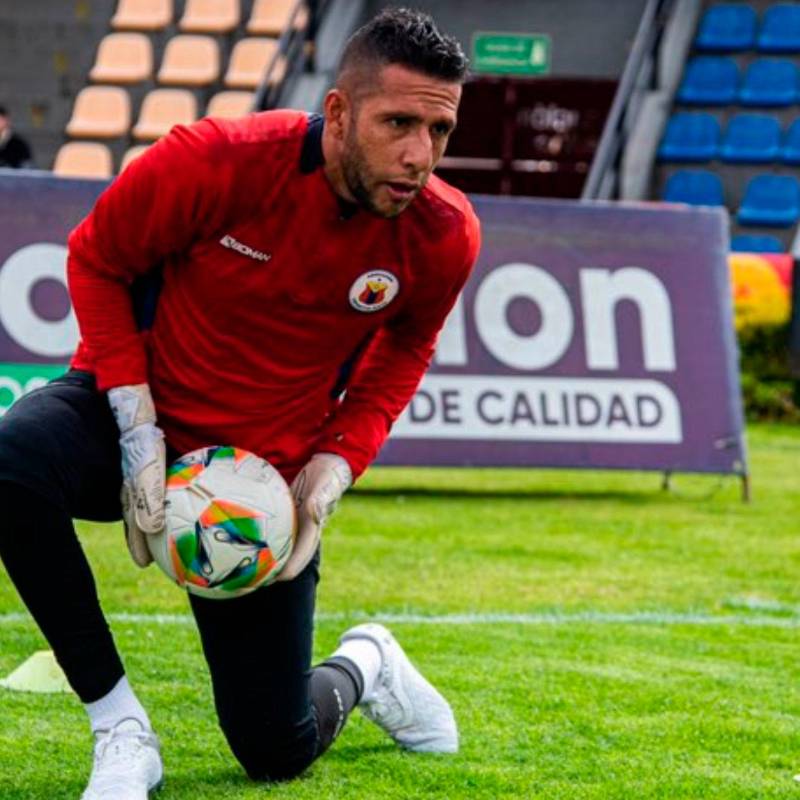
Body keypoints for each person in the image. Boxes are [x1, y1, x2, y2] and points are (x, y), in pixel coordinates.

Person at [0, 7, 480, 799]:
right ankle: (121, 728)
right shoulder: (218, 160)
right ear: (338, 112)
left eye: (440, 131)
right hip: (136, 415)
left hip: (264, 474)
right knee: (13, 460)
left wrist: (334, 466)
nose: (419, 155)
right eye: (399, 123)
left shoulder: (443, 233)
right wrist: (135, 424)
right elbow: (96, 257)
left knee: (273, 749)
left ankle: (368, 662)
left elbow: (406, 350)